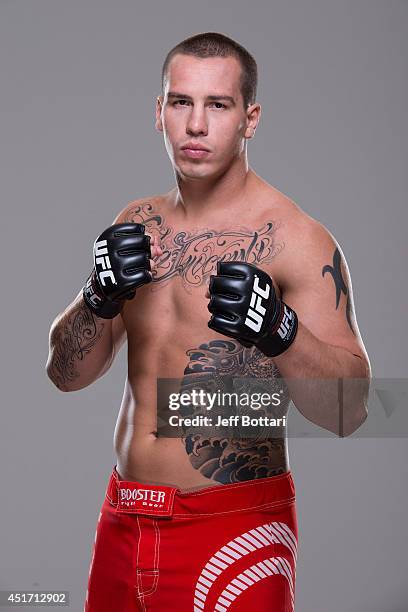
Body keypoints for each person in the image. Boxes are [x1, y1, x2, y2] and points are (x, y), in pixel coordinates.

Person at [46, 31, 371, 612]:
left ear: (250, 119)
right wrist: (96, 297)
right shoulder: (136, 222)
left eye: (217, 106)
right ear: (159, 112)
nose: (195, 125)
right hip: (125, 519)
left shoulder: (297, 241)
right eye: (181, 102)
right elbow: (65, 375)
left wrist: (281, 332)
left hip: (235, 526)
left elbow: (350, 412)